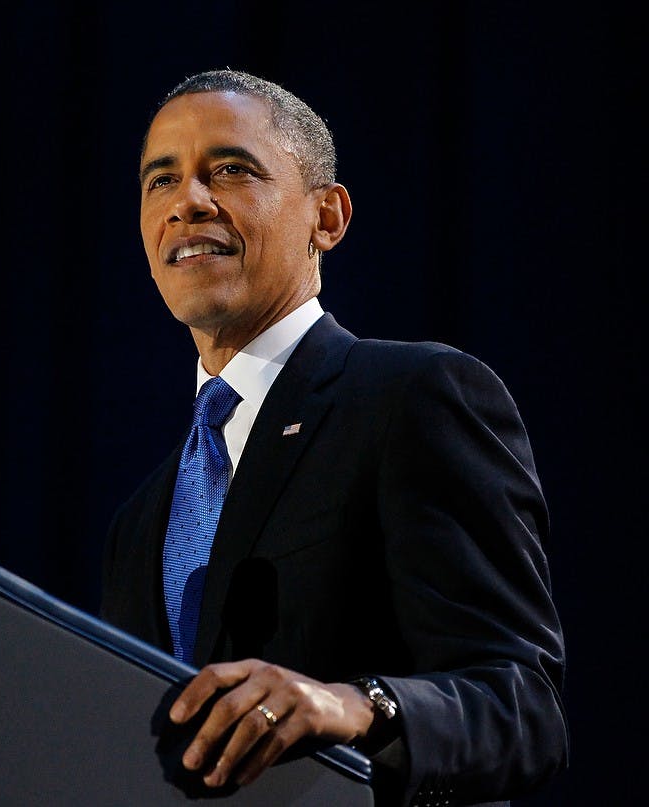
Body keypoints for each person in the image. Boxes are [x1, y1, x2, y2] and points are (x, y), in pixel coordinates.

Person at [99, 68, 568, 806]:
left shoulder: (412, 396)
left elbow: (522, 709)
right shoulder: (139, 522)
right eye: (161, 180)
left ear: (327, 218)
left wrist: (356, 706)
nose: (188, 202)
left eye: (229, 169)